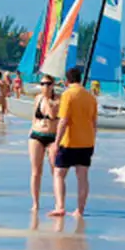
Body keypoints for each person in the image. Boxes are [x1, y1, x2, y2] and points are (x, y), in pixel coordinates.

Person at [49, 67, 97, 218]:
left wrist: (56, 142)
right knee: (82, 176)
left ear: (67, 80)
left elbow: (63, 120)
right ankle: (80, 210)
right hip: (87, 142)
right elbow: (94, 122)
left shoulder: (68, 95)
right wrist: (92, 140)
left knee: (59, 173)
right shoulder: (90, 97)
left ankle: (60, 207)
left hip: (69, 142)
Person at [27, 74, 59, 211]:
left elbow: (52, 115)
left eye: (48, 84)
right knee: (36, 171)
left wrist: (48, 99)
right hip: (37, 135)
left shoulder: (58, 100)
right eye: (42, 84)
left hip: (52, 136)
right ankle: (35, 203)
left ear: (53, 85)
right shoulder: (38, 98)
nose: (45, 86)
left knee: (55, 171)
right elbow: (34, 117)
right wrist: (30, 131)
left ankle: (58, 203)